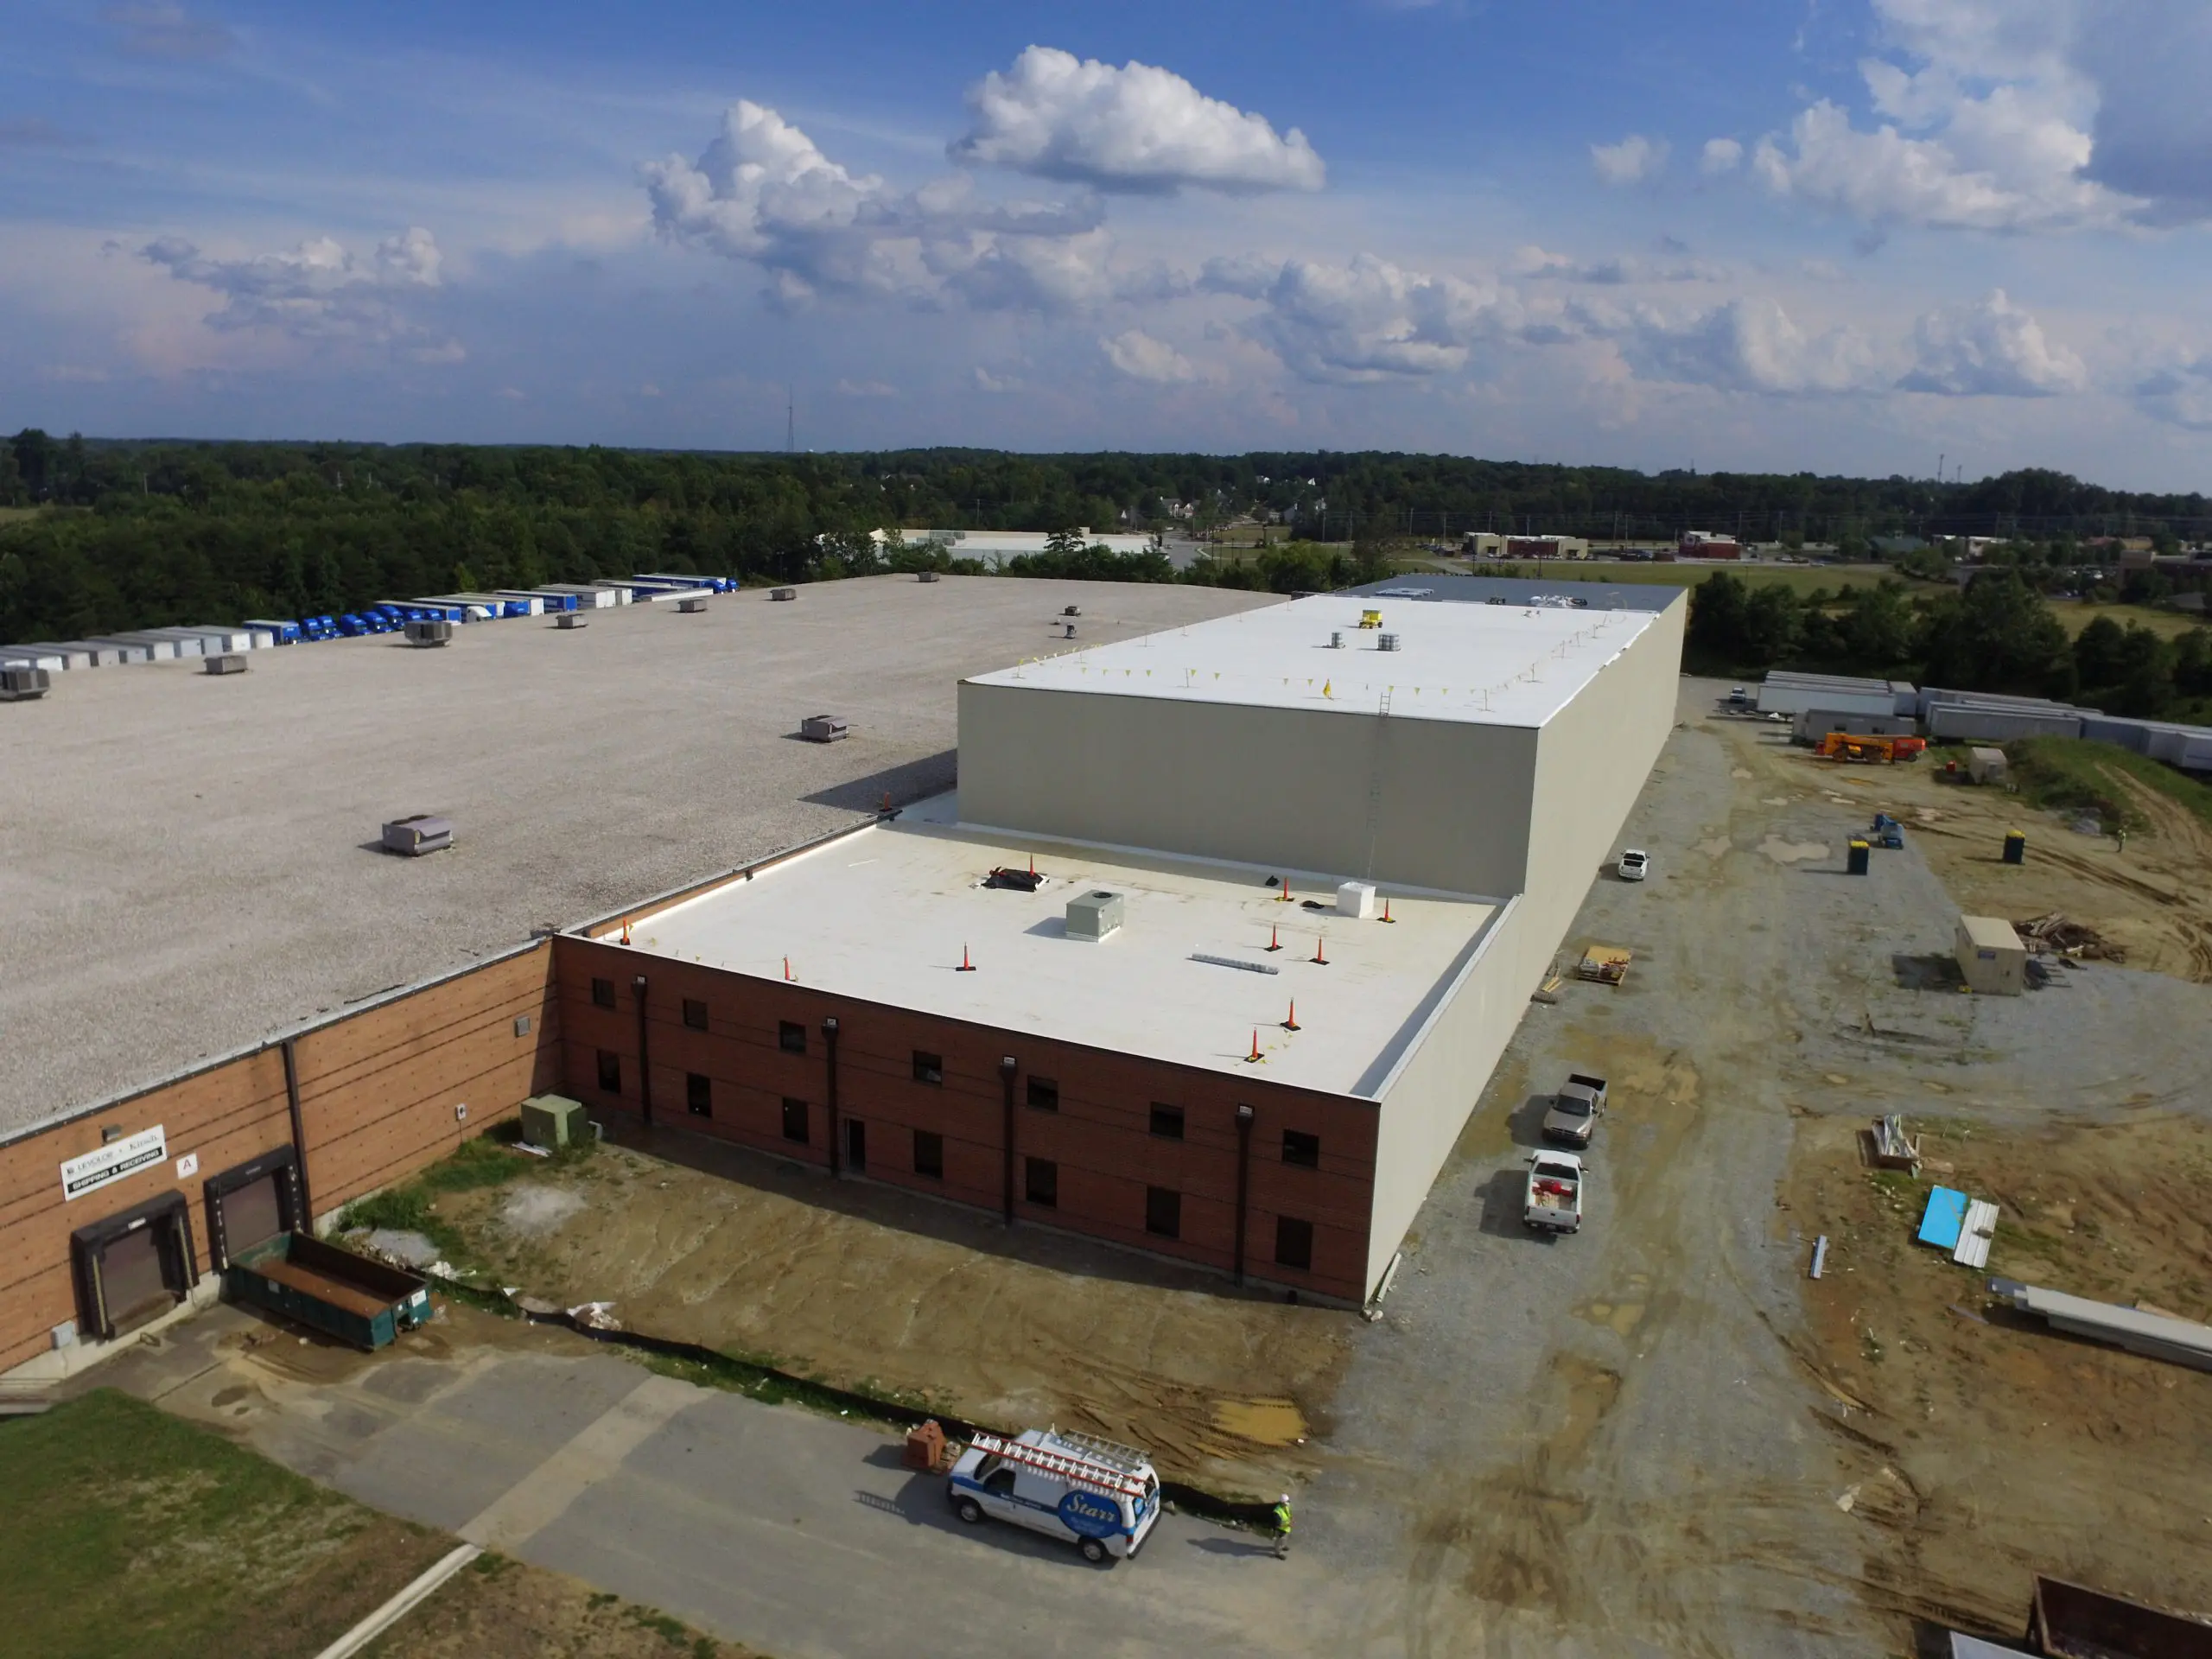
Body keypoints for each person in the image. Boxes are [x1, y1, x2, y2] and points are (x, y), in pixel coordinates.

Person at [1272, 1493, 1294, 1559]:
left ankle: (1283, 1546)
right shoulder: (1277, 1512)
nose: (1287, 1504)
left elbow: (1289, 1512)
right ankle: (1278, 1553)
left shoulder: (1286, 1506)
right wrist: (1288, 1524)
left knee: (1284, 1539)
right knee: (1279, 1541)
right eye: (1286, 1503)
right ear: (1282, 1503)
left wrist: (1291, 1518)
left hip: (1286, 1528)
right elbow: (1278, 1524)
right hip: (1280, 1530)